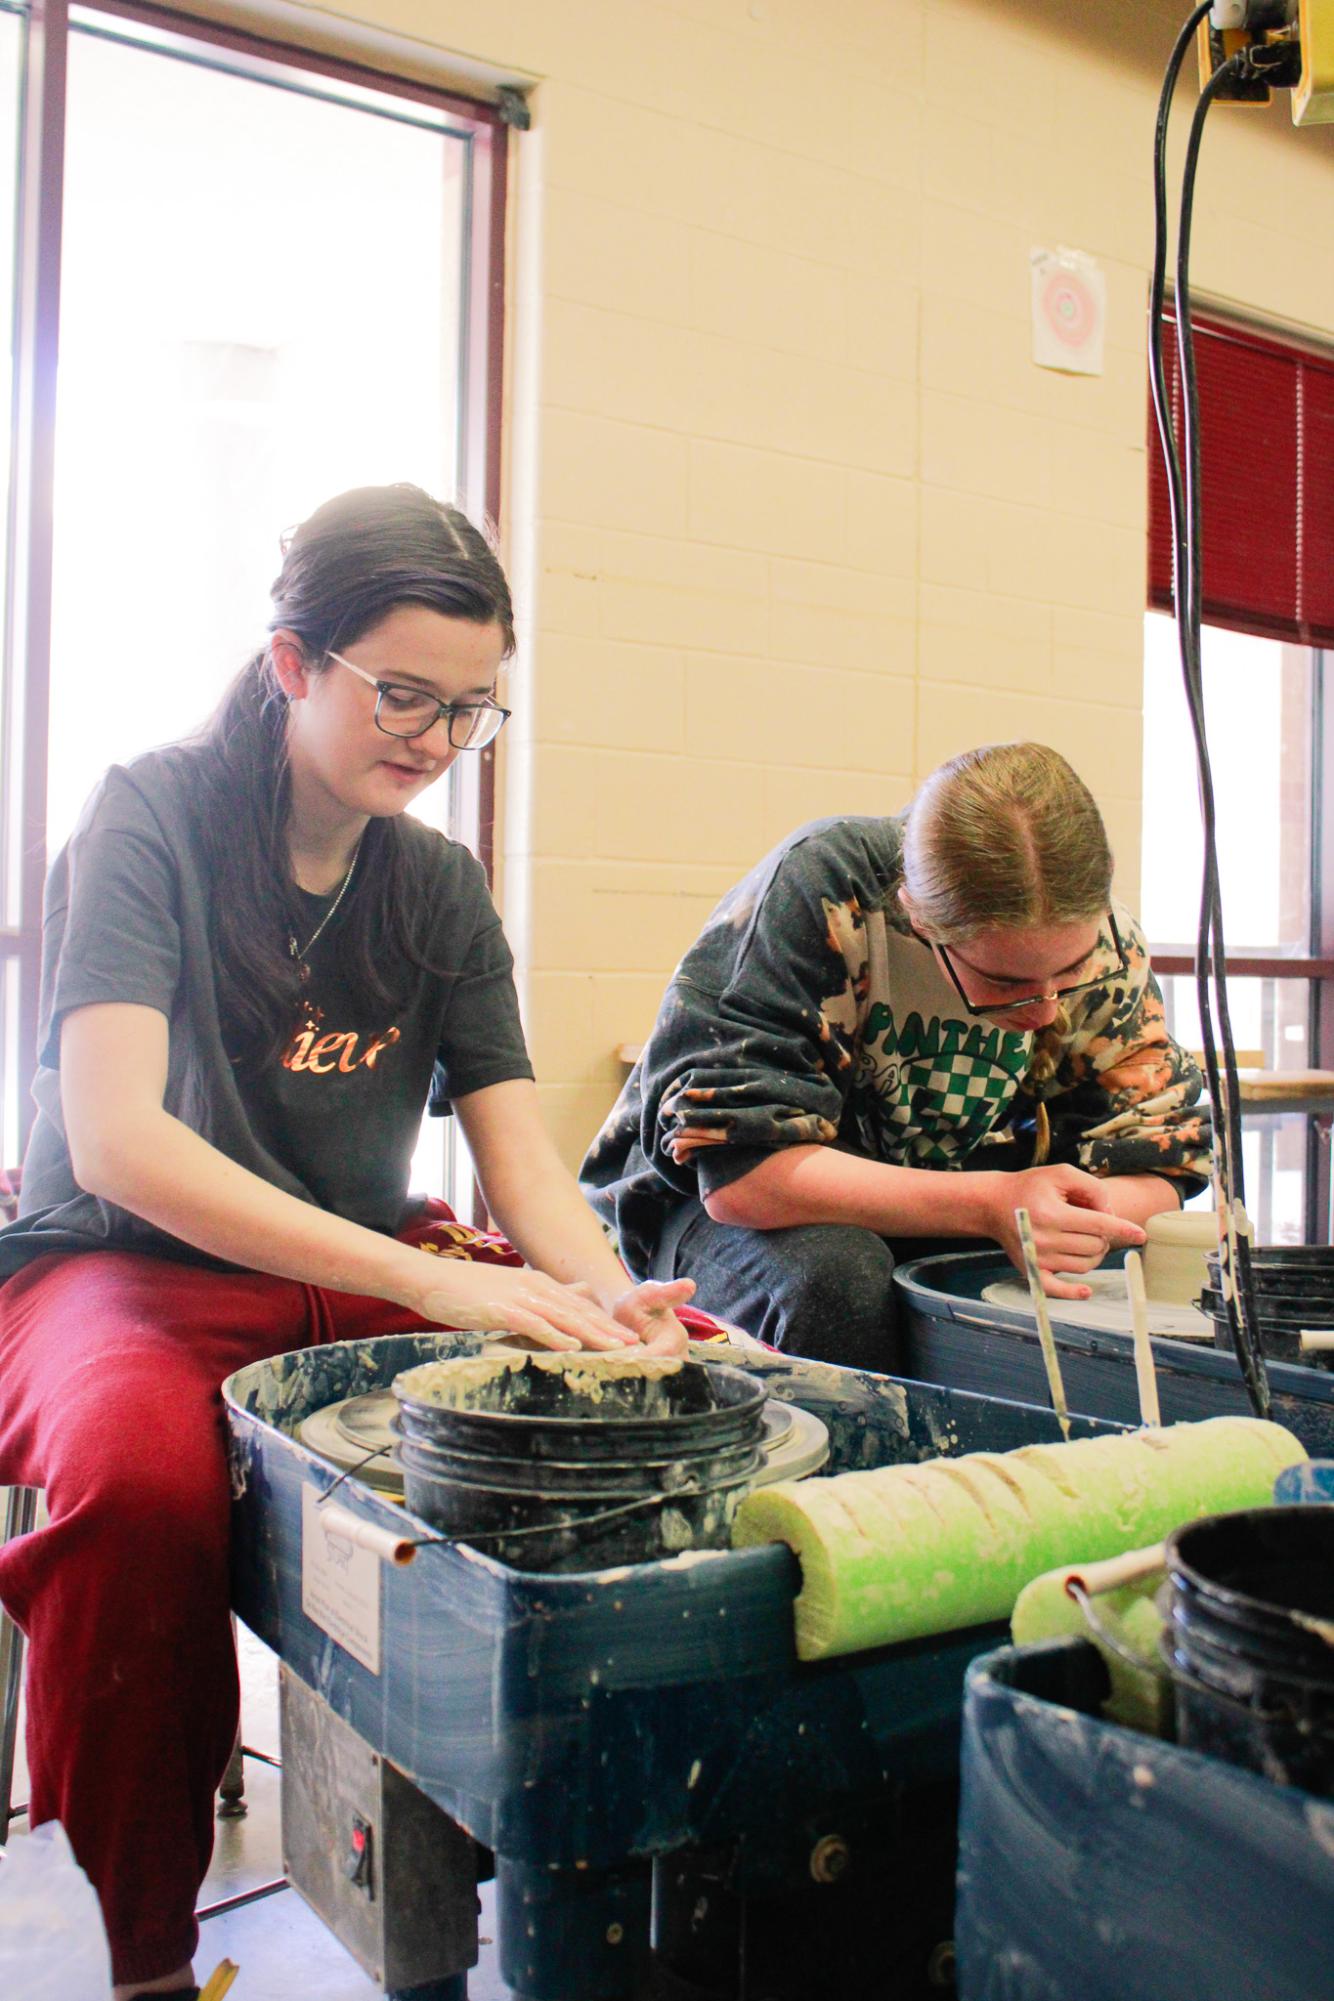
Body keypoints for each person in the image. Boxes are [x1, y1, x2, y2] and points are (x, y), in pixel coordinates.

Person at [0, 484, 692, 2001]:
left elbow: (525, 1172)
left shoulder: (436, 886)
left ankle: (536, 1891)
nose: (434, 741)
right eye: (401, 694)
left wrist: (613, 1297)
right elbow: (119, 1137)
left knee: (589, 1434)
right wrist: (436, 1277)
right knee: (133, 1490)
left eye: (469, 710)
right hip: (123, 1264)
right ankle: (144, 1959)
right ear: (292, 660)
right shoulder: (152, 814)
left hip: (352, 1266)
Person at [581, 741, 1210, 1371]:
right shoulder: (826, 888)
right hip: (711, 1207)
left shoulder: (1110, 942)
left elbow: (1161, 1159)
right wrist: (996, 1204)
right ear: (918, 919)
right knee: (839, 1279)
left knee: (1075, 1278)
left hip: (967, 1199)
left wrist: (1074, 1217)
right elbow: (741, 1179)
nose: (1045, 1009)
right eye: (1005, 984)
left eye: (1069, 972)